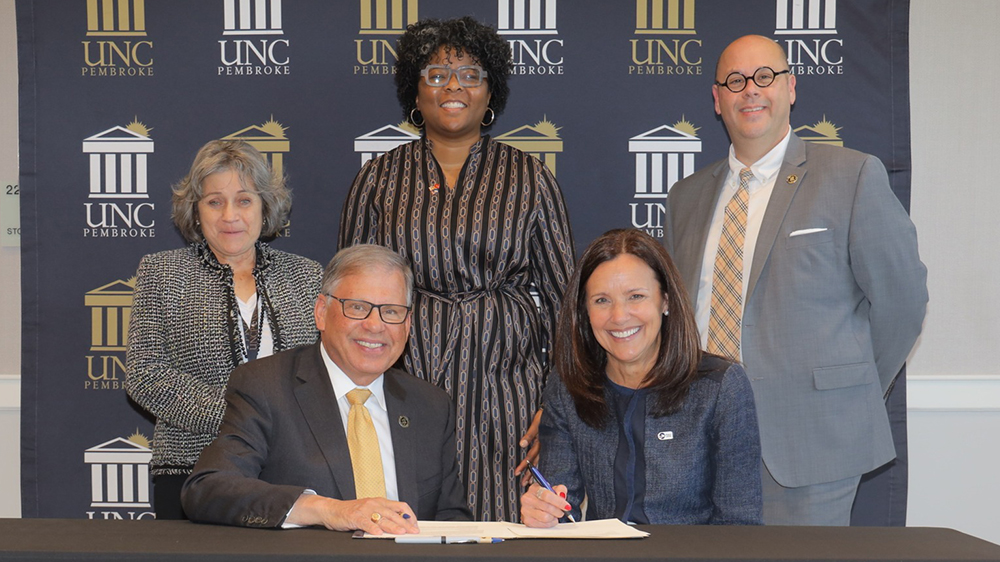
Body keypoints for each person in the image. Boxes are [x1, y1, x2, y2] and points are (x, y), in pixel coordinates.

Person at [663, 35, 928, 525]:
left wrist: (846, 388)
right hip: (699, 444)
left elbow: (902, 302)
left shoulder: (851, 176)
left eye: (765, 77)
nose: (750, 90)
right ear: (717, 99)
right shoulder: (686, 197)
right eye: (735, 81)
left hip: (812, 444)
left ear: (790, 88)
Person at [339, 16, 576, 522]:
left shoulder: (530, 177)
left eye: (470, 74)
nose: (453, 87)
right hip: (405, 378)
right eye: (436, 74)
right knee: (408, 512)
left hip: (508, 388)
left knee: (501, 519)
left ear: (490, 92)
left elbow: (565, 303)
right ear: (415, 91)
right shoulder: (378, 178)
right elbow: (350, 301)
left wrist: (554, 404)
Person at [181, 244, 472, 531]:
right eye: (357, 307)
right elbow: (209, 489)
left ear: (407, 325)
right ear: (321, 312)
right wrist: (328, 510)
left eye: (391, 311)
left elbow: (453, 523)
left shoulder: (430, 405)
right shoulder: (266, 387)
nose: (375, 326)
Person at [125, 139, 322, 520]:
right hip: (190, 469)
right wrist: (244, 420)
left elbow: (323, 372)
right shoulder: (161, 272)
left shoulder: (306, 276)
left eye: (244, 200)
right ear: (195, 210)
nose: (230, 215)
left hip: (290, 473)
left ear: (265, 207)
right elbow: (145, 375)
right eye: (215, 202)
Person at [521, 229, 762, 527]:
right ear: (584, 311)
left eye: (635, 296)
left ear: (665, 301)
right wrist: (544, 513)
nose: (619, 316)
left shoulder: (721, 387)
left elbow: (739, 526)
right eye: (601, 300)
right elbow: (562, 508)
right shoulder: (568, 384)